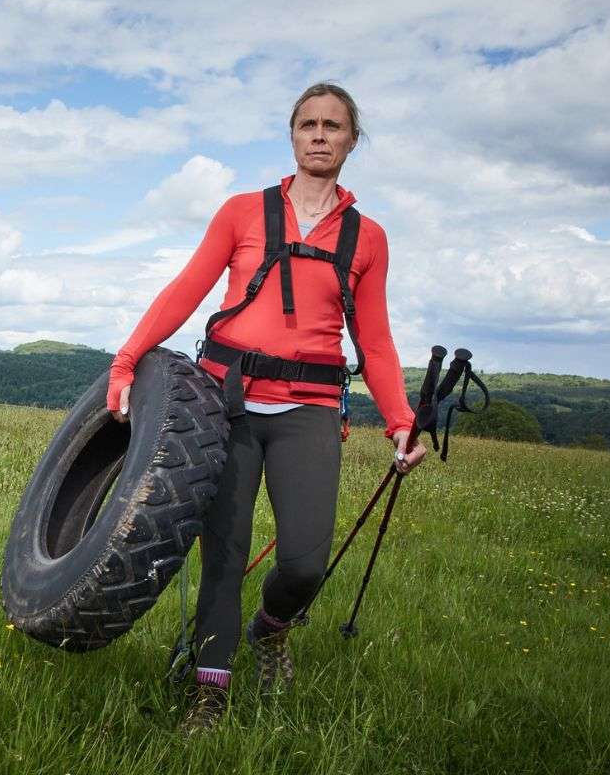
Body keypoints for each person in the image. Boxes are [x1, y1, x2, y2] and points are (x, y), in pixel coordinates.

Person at [105, 82, 426, 733]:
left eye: (332, 126)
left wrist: (400, 421)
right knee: (224, 553)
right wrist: (127, 359)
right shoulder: (240, 213)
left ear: (350, 140)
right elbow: (187, 289)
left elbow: (379, 340)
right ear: (291, 135)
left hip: (308, 406)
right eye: (307, 123)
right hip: (226, 401)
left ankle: (271, 630)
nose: (318, 134)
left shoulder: (369, 238)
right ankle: (210, 693)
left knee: (305, 561)